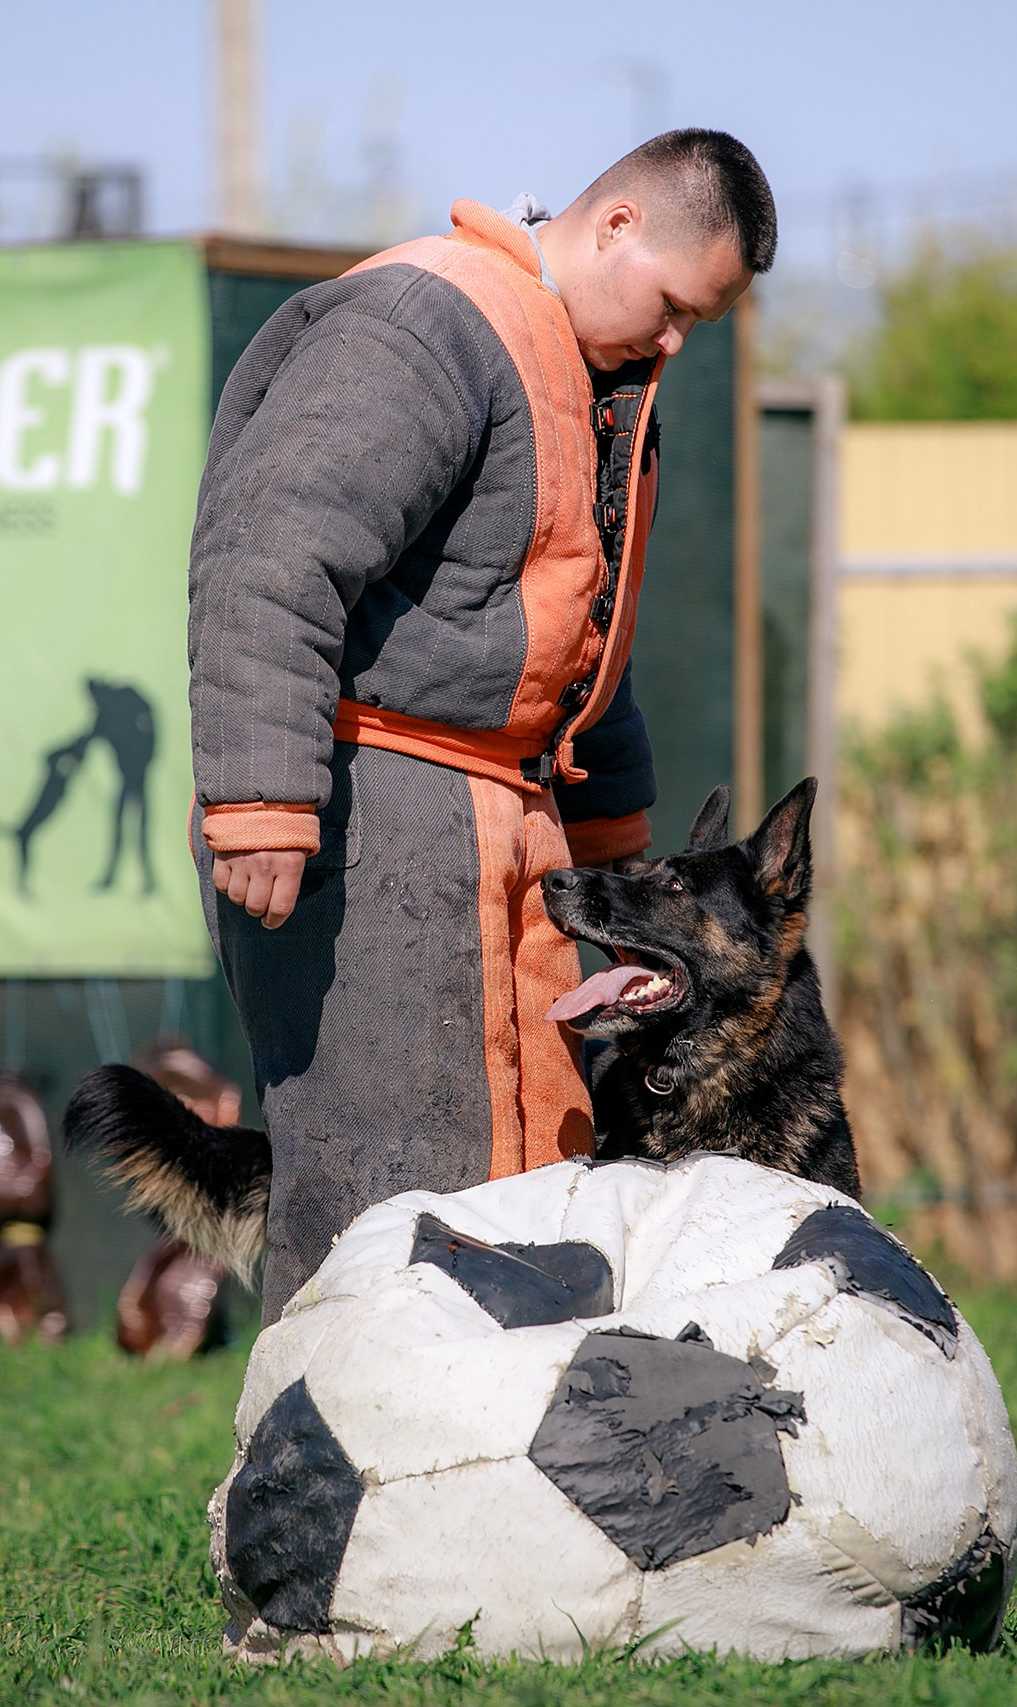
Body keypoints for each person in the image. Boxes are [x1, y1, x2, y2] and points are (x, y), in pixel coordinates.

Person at [187, 129, 776, 1309]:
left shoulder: (598, 383)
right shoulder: (424, 322)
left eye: (695, 326)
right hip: (370, 809)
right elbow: (271, 550)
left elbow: (583, 642)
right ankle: (321, 1487)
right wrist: (260, 799)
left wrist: (613, 852)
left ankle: (492, 1492)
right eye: (671, 307)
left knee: (526, 1184)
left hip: (512, 826)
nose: (672, 342)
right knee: (381, 1196)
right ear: (613, 225)